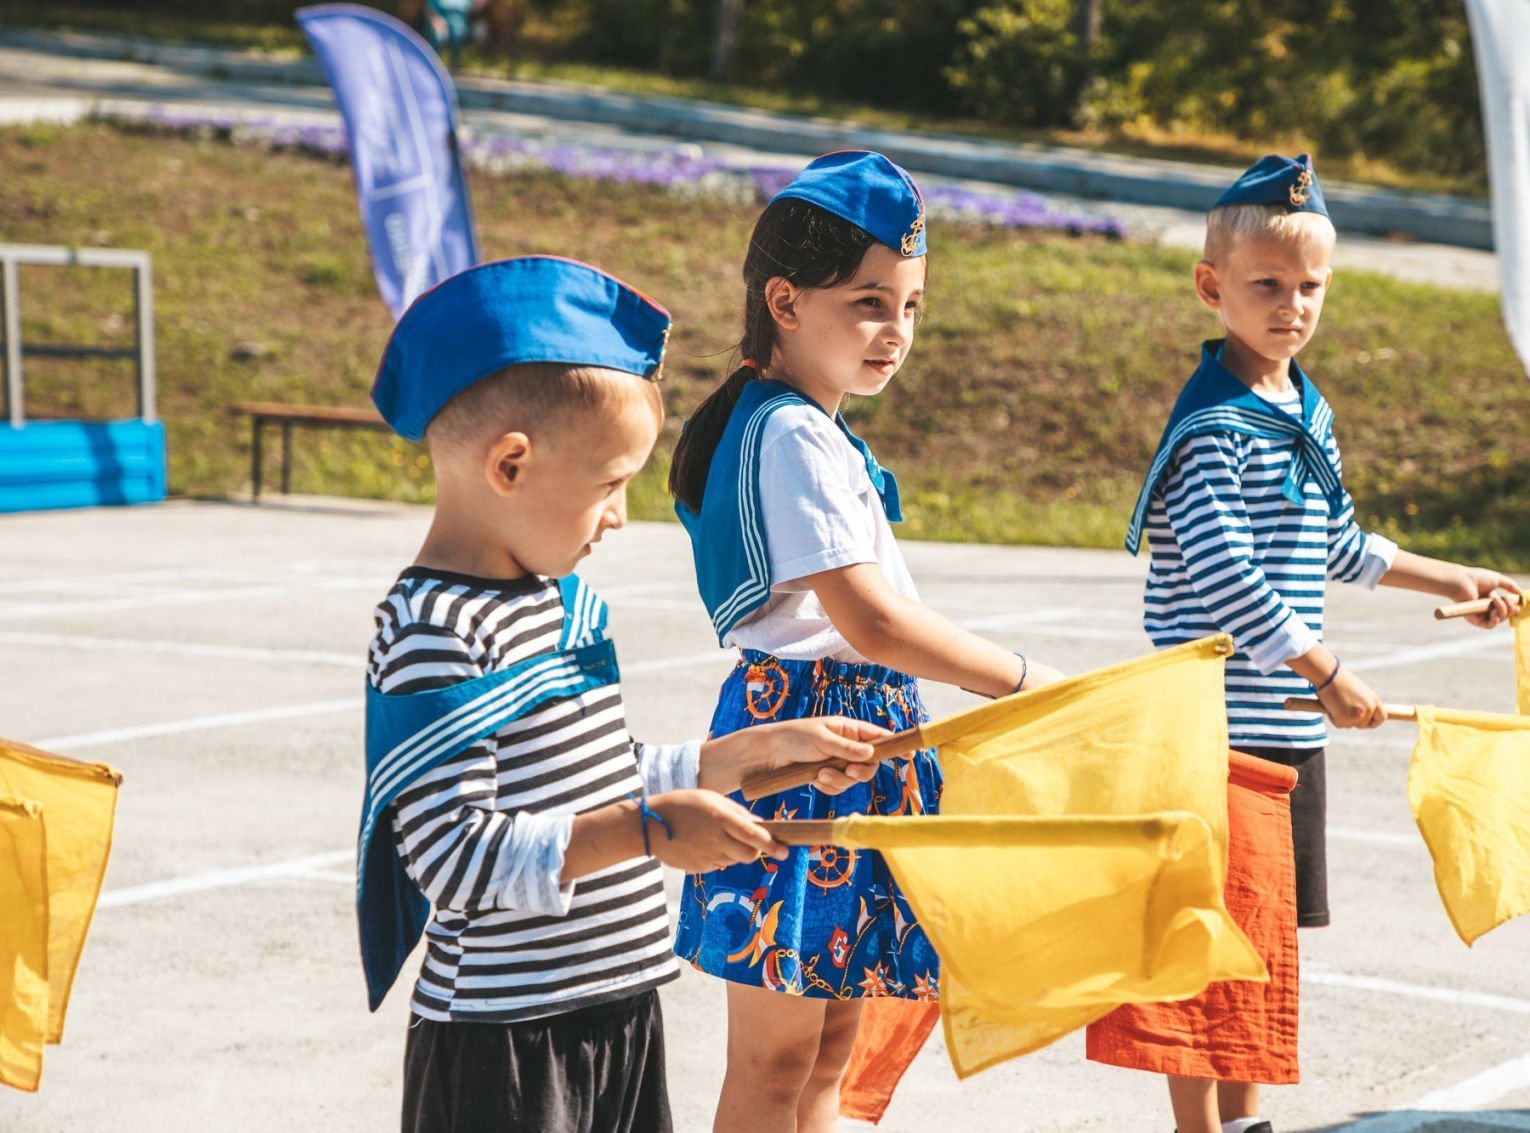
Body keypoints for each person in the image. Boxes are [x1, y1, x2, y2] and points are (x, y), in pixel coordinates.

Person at [355, 255, 897, 1133]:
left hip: (620, 1010)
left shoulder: (567, 604)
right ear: (509, 464)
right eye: (609, 485)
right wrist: (646, 832)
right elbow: (452, 857)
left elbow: (603, 774)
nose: (619, 516)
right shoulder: (432, 627)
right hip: (505, 1041)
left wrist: (751, 755)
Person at [1117, 154, 1522, 1133]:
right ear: (1211, 287)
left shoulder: (1303, 408)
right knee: (1199, 937)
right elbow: (1225, 573)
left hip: (1285, 730)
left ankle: (1244, 1118)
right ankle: (1198, 1125)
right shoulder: (1214, 425)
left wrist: (1452, 578)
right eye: (1266, 284)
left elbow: (1337, 541)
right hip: (1213, 732)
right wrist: (1326, 670)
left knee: (1265, 935)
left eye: (1309, 287)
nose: (1290, 305)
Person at [668, 150, 1064, 1133]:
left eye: (911, 307)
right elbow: (872, 621)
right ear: (785, 301)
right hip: (805, 738)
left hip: (855, 735)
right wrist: (1020, 679)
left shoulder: (811, 428)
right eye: (870, 303)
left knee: (830, 1046)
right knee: (775, 1057)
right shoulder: (793, 434)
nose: (897, 331)